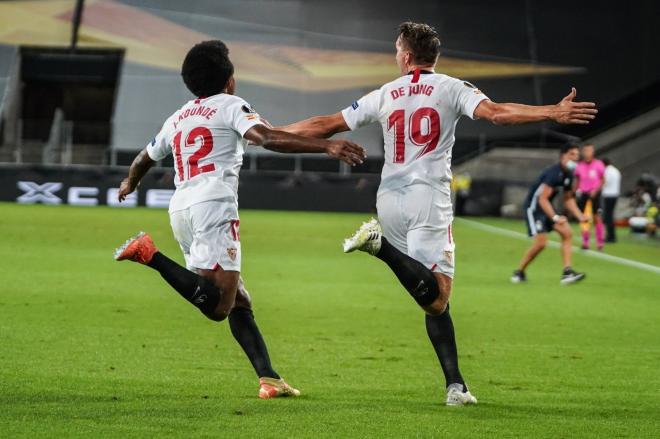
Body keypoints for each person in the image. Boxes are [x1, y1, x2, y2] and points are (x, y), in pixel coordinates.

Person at [278, 22, 597, 406]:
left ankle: (455, 386)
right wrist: (552, 111)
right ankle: (380, 248)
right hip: (428, 197)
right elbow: (496, 114)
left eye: (397, 51)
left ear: (407, 56)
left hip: (389, 200)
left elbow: (322, 125)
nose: (396, 56)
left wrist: (264, 131)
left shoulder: (385, 93)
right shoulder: (451, 87)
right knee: (437, 297)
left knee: (431, 293)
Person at [113, 40, 366, 399]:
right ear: (229, 80)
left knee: (239, 299)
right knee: (219, 306)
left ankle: (270, 379)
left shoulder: (179, 117)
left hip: (182, 209)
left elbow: (143, 158)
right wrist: (326, 146)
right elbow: (264, 137)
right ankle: (148, 254)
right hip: (214, 206)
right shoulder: (232, 106)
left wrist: (129, 182)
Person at [511, 145, 589, 285]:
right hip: (534, 208)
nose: (575, 158)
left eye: (577, 155)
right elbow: (542, 198)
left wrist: (580, 216)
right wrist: (555, 217)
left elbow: (568, 199)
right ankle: (519, 272)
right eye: (572, 154)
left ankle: (567, 272)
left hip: (547, 208)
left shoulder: (569, 175)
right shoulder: (553, 172)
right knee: (541, 243)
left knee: (567, 233)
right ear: (563, 156)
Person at [574, 144, 606, 250]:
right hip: (583, 194)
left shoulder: (599, 164)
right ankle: (585, 241)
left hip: (595, 194)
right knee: (583, 217)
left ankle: (600, 242)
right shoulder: (580, 166)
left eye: (589, 151)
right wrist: (573, 192)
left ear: (593, 152)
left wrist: (596, 190)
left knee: (597, 217)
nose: (587, 153)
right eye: (585, 151)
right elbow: (577, 181)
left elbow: (602, 180)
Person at [601, 158, 621, 242]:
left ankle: (610, 236)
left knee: (608, 216)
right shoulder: (616, 170)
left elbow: (605, 182)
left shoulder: (607, 171)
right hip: (615, 194)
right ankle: (611, 235)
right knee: (610, 216)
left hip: (609, 195)